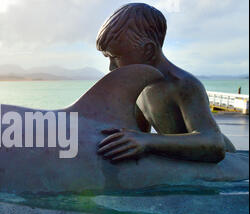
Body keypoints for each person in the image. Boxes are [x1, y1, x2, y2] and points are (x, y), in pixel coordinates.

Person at [95, 3, 236, 163]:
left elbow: (215, 144)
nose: (111, 68)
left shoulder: (182, 84)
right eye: (108, 57)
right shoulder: (139, 86)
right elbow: (138, 132)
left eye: (116, 57)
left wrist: (147, 141)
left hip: (228, 161)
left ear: (148, 50)